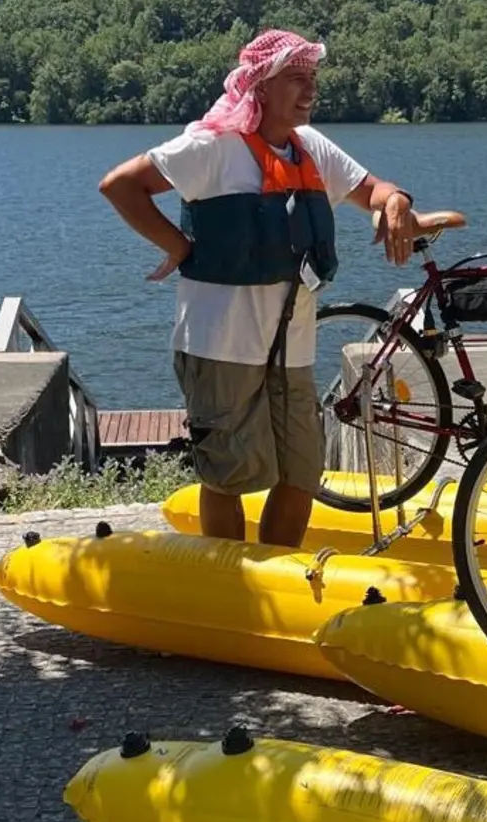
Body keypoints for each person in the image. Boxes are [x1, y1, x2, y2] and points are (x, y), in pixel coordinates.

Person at [98, 28, 416, 549]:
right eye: (296, 78)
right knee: (227, 475)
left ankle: (277, 570)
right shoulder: (213, 147)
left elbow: (373, 190)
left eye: (313, 77)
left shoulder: (311, 148)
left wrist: (396, 200)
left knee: (301, 473)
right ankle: (227, 577)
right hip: (220, 344)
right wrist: (179, 247)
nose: (310, 89)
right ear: (260, 86)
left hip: (292, 349)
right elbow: (120, 185)